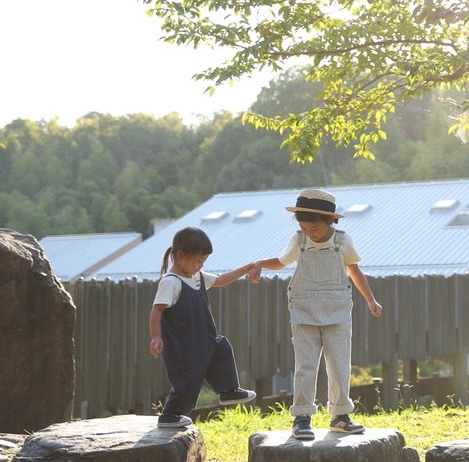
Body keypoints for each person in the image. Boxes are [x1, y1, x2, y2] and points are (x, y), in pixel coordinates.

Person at [249, 188, 383, 440]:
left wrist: (371, 300)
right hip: (304, 312)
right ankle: (302, 417)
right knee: (306, 366)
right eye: (304, 228)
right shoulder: (298, 240)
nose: (310, 233)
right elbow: (282, 261)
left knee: (340, 365)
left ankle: (340, 415)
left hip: (338, 312)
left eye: (315, 228)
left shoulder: (342, 241)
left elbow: (354, 271)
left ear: (330, 220)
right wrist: (260, 264)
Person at [149, 226, 258, 428]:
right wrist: (156, 336)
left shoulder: (197, 276)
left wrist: (244, 270)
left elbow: (220, 280)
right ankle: (170, 414)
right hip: (184, 346)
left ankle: (228, 390)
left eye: (204, 261)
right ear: (181, 256)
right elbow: (157, 310)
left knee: (222, 348)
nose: (201, 265)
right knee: (189, 379)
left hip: (205, 339)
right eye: (199, 261)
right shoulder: (171, 282)